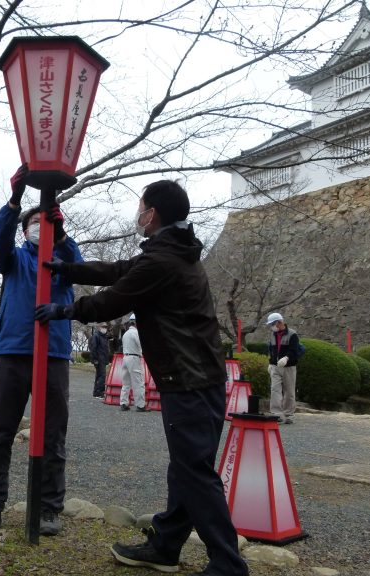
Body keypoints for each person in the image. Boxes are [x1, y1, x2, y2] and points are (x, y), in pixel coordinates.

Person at [35, 180, 248, 576]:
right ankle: (167, 545)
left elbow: (112, 299)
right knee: (186, 467)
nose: (138, 213)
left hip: (189, 379)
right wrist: (67, 267)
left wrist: (64, 310)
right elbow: (118, 270)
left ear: (153, 213)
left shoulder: (162, 261)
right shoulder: (172, 251)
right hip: (196, 377)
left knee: (194, 472)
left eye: (141, 206)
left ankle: (228, 564)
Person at [0, 164, 83, 537]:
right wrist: (15, 199)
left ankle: (50, 508)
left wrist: (64, 236)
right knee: (0, 432)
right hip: (12, 353)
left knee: (53, 436)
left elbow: (80, 272)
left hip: (53, 355)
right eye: (32, 224)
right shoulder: (15, 259)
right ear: (24, 231)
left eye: (46, 223)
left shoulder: (64, 258)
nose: (39, 228)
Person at [265, 312, 301, 425]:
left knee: (289, 391)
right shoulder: (272, 334)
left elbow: (294, 350)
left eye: (272, 324)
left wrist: (286, 358)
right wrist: (270, 363)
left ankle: (288, 414)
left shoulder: (292, 334)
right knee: (275, 389)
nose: (271, 326)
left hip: (289, 367)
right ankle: (276, 414)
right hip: (275, 366)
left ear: (279, 322)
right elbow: (271, 350)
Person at [120, 315, 146, 412]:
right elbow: (141, 345)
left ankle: (123, 403)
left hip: (125, 357)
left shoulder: (126, 333)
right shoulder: (136, 333)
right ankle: (140, 405)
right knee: (138, 382)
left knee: (126, 382)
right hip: (134, 357)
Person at [89, 323, 110, 398]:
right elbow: (93, 348)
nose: (105, 328)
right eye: (103, 327)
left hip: (103, 359)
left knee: (99, 375)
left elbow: (105, 349)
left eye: (105, 327)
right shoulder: (96, 336)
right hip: (99, 359)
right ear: (99, 327)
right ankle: (99, 392)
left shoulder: (104, 337)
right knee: (102, 375)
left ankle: (96, 392)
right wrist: (94, 359)